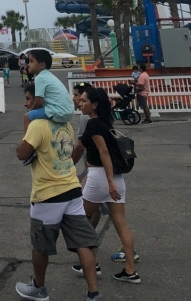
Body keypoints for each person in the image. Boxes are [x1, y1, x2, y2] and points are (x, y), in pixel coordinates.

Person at [14, 82, 102, 300]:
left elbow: (22, 154)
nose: (26, 104)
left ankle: (38, 287)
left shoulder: (38, 125)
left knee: (41, 246)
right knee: (83, 244)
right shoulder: (66, 125)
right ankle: (93, 293)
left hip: (47, 195)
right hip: (72, 190)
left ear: (41, 101)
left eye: (29, 99)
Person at [71, 86, 140, 285]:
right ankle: (130, 270)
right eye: (80, 100)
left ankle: (90, 263)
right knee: (121, 224)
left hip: (101, 177)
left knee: (80, 222)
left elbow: (103, 153)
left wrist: (108, 182)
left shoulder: (93, 125)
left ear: (95, 104)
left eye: (84, 101)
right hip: (116, 178)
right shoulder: (105, 122)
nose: (80, 103)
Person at [25, 50, 74, 124]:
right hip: (68, 111)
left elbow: (39, 101)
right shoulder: (50, 76)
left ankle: (29, 136)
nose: (28, 64)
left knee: (27, 116)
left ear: (42, 65)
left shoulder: (40, 77)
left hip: (56, 111)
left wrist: (31, 110)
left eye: (31, 61)